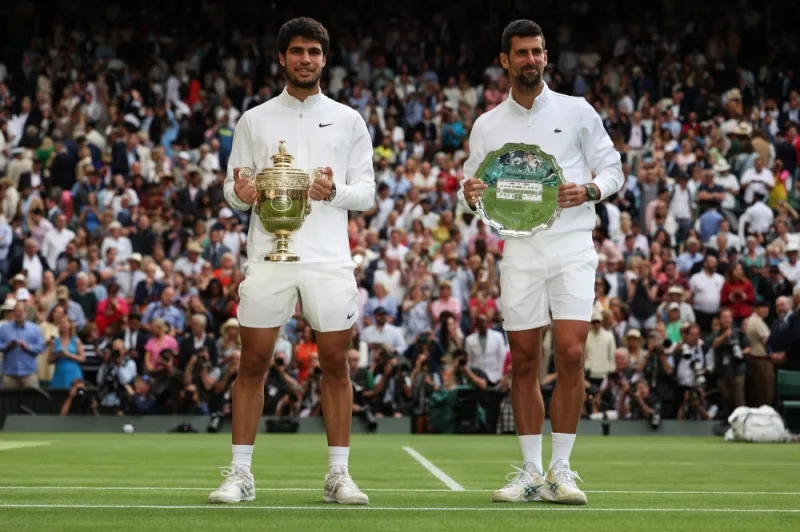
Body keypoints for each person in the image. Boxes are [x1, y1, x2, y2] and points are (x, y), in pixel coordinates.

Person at [208, 17, 375, 505]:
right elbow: (234, 187)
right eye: (297, 51)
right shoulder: (254, 119)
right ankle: (240, 475)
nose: (306, 59)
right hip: (268, 255)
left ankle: (338, 475)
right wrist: (239, 194)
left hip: (328, 258)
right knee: (252, 363)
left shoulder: (349, 119)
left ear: (325, 58)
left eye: (314, 52)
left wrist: (334, 191)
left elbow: (366, 193)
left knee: (336, 366)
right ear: (282, 58)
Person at [458, 20, 623, 505]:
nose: (530, 60)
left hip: (572, 244)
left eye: (537, 51)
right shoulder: (487, 124)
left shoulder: (577, 110)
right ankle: (530, 472)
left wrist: (589, 189)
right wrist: (469, 193)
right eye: (521, 53)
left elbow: (613, 169)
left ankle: (561, 470)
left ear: (546, 57)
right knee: (525, 360)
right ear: (505, 61)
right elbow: (472, 189)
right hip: (520, 251)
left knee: (570, 353)